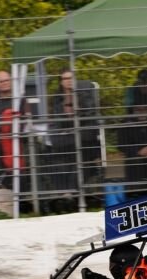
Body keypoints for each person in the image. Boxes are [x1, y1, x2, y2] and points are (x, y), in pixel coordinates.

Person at [46, 68, 100, 198]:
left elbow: (90, 122)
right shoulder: (57, 100)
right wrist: (72, 133)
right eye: (65, 78)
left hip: (85, 144)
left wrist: (70, 132)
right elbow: (55, 130)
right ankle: (64, 195)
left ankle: (70, 195)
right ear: (61, 82)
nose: (68, 81)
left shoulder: (85, 97)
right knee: (53, 162)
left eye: (71, 78)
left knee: (80, 162)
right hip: (66, 145)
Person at [83, 244, 147, 279]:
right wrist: (95, 277)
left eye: (114, 265)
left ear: (125, 263)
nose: (112, 267)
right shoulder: (139, 277)